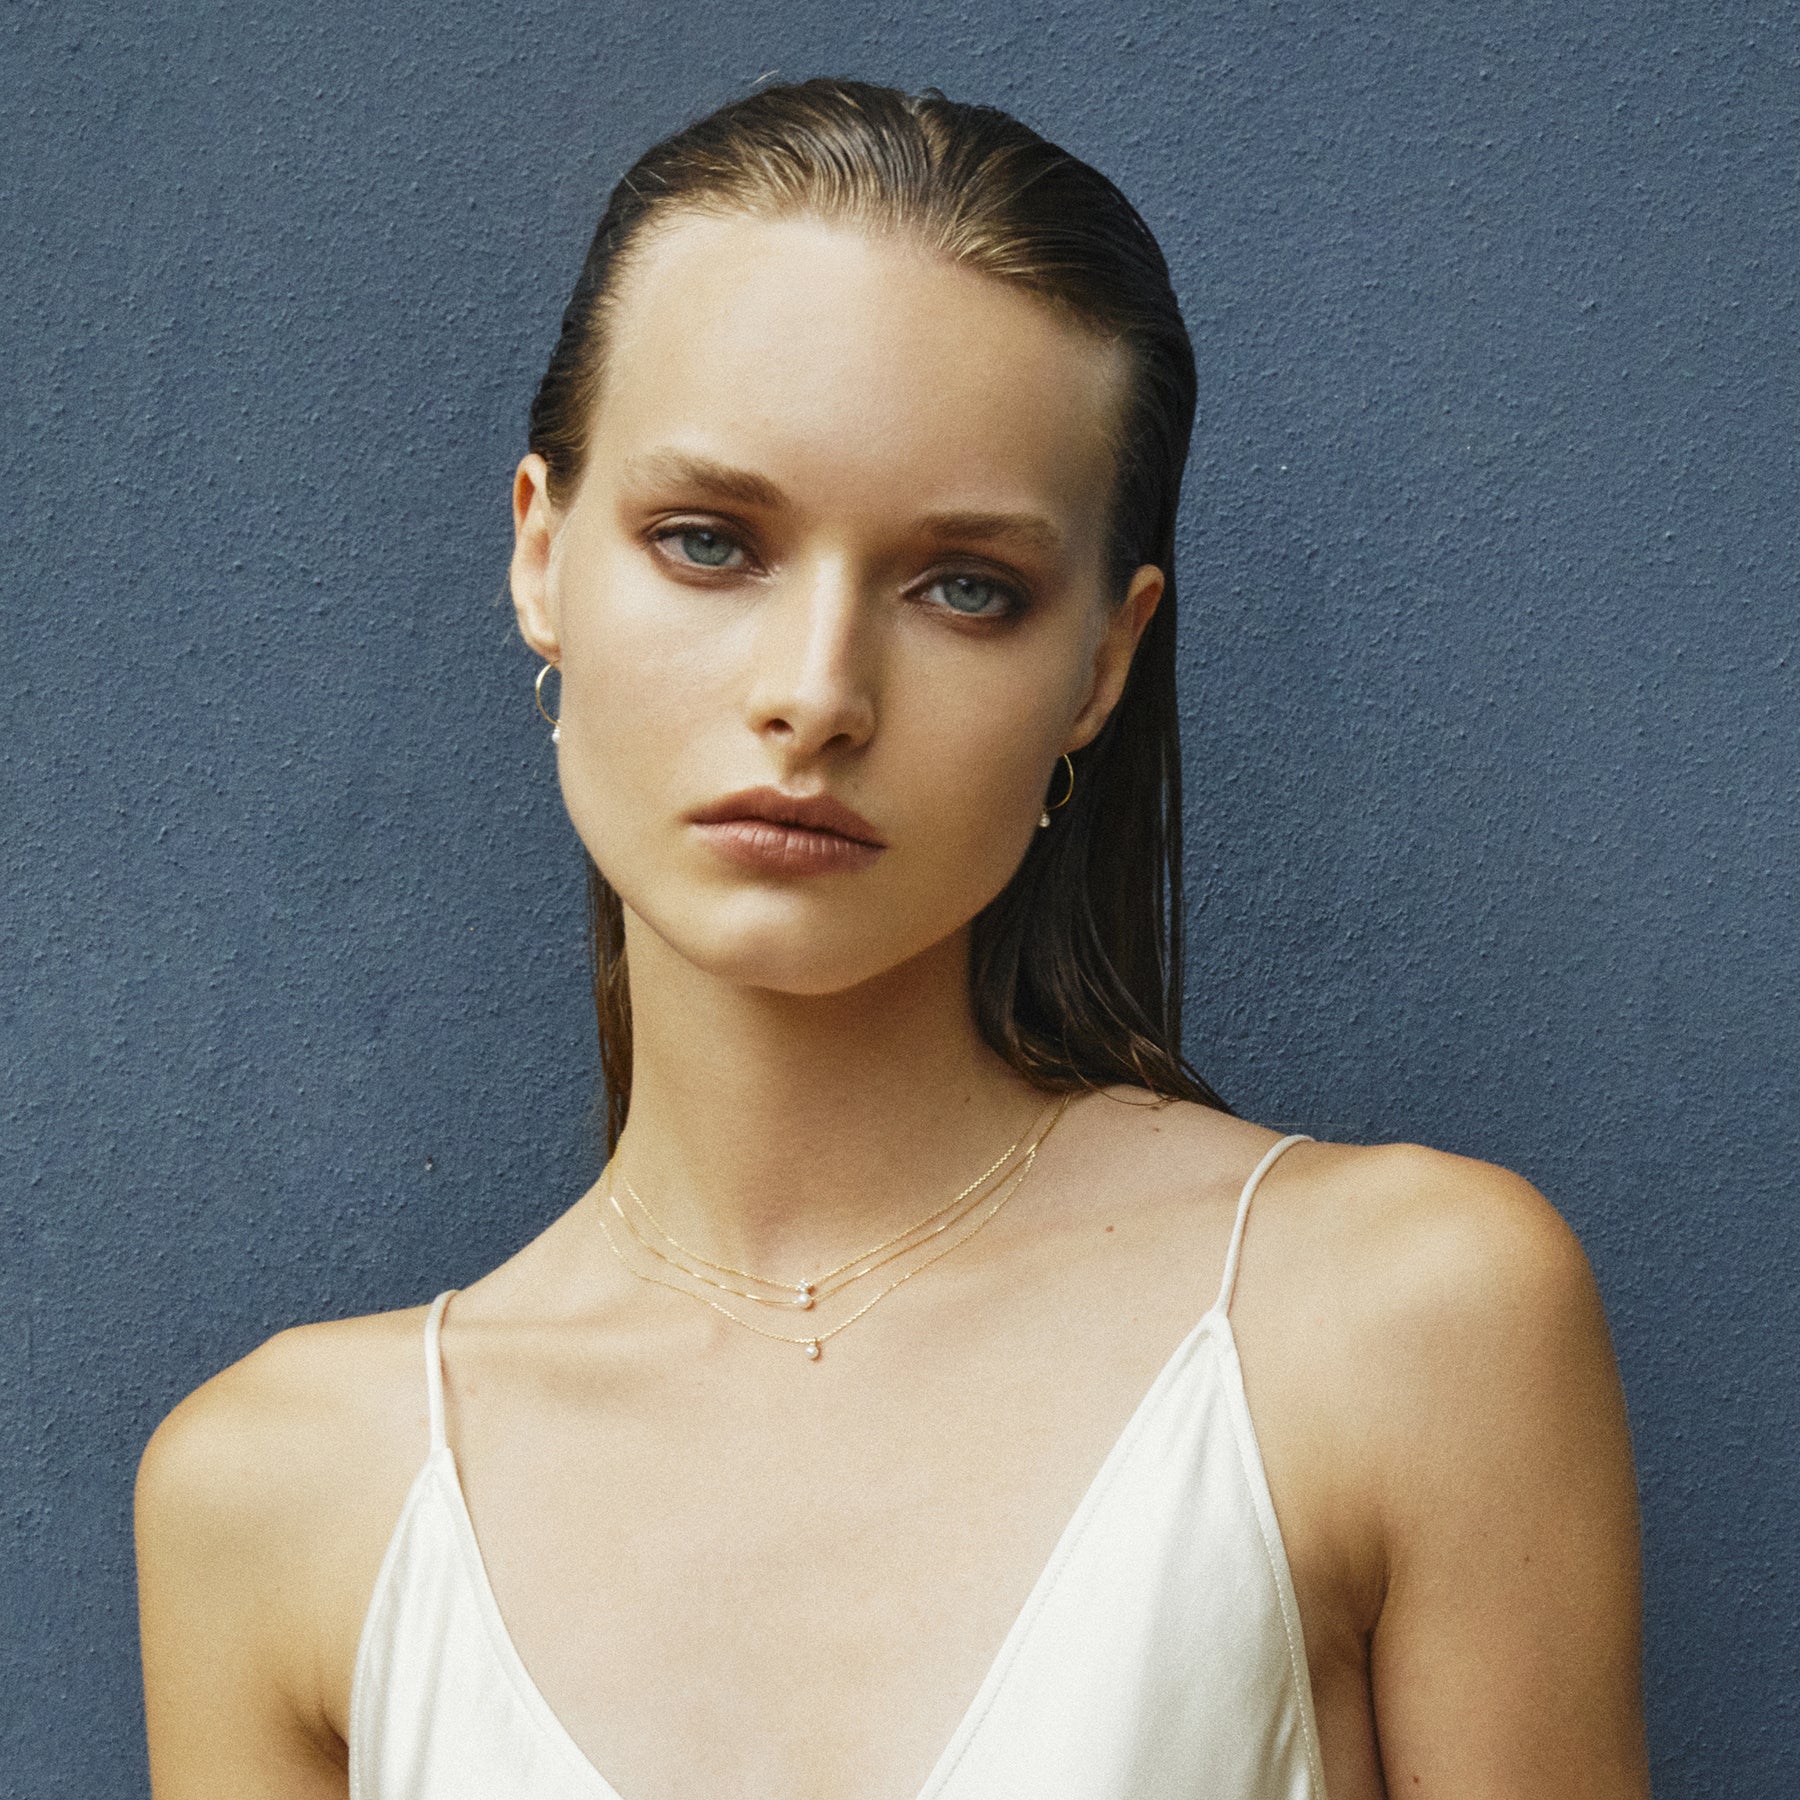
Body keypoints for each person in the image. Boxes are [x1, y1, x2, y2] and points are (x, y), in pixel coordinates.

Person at [134, 78, 1651, 1800]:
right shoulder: (279, 1495)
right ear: (543, 557)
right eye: (710, 543)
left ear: (1101, 664)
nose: (816, 694)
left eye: (965, 586)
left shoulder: (1404, 1320)